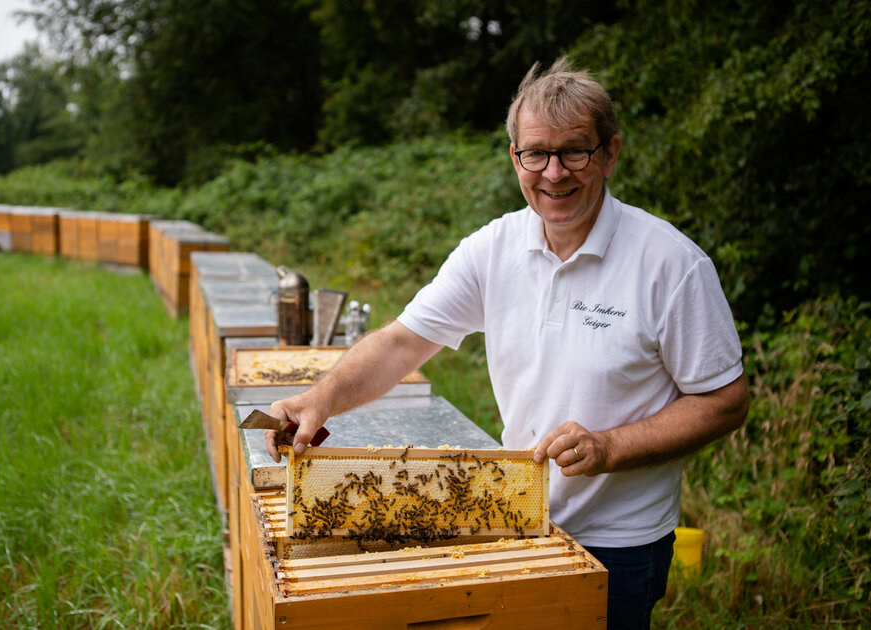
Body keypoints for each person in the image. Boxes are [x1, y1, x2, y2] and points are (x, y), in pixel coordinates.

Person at [265, 57, 748, 629]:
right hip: (516, 518)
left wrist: (609, 447)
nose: (554, 173)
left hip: (620, 546)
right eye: (535, 153)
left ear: (610, 153)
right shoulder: (491, 249)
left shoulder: (671, 264)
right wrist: (319, 399)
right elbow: (399, 343)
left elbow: (725, 401)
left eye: (575, 151)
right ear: (514, 156)